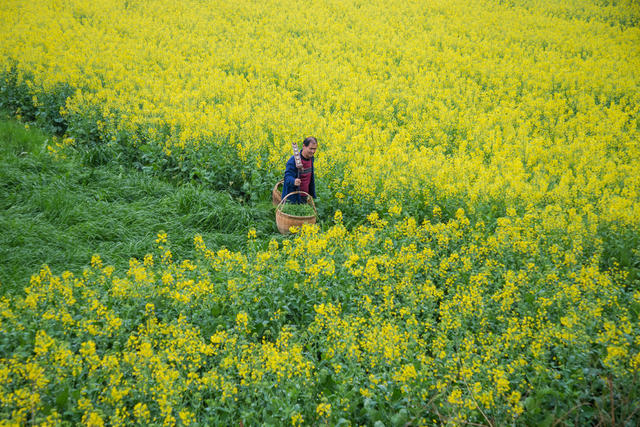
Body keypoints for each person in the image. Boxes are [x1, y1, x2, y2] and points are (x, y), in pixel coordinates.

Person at [281, 136, 317, 204]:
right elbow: (287, 177)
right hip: (293, 198)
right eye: (311, 148)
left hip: (305, 196)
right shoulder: (293, 160)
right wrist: (293, 181)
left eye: (315, 149)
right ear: (304, 146)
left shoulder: (311, 158)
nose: (313, 151)